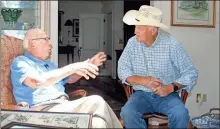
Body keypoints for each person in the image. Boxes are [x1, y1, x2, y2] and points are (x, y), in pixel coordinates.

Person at [10, 28, 123, 128]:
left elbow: (70, 79)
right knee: (96, 101)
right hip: (41, 110)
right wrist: (71, 67)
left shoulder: (49, 65)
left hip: (62, 106)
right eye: (46, 39)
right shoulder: (21, 62)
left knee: (98, 123)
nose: (50, 43)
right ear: (32, 43)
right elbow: (37, 82)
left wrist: (89, 64)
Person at [118, 5, 198, 128]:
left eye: (140, 28)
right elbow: (122, 69)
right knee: (128, 112)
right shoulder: (132, 43)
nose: (135, 32)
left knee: (180, 114)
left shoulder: (172, 44)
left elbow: (191, 72)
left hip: (168, 96)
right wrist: (144, 81)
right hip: (141, 94)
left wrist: (171, 87)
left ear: (153, 30)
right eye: (135, 27)